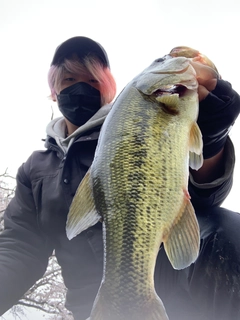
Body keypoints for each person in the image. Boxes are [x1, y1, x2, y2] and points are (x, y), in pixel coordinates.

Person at [0, 36, 239, 320]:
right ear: (54, 91)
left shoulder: (137, 123)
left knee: (227, 228)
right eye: (69, 79)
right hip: (96, 308)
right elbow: (20, 247)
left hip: (174, 299)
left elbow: (206, 195)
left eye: (92, 80)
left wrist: (211, 136)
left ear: (109, 87)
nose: (81, 88)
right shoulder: (35, 170)